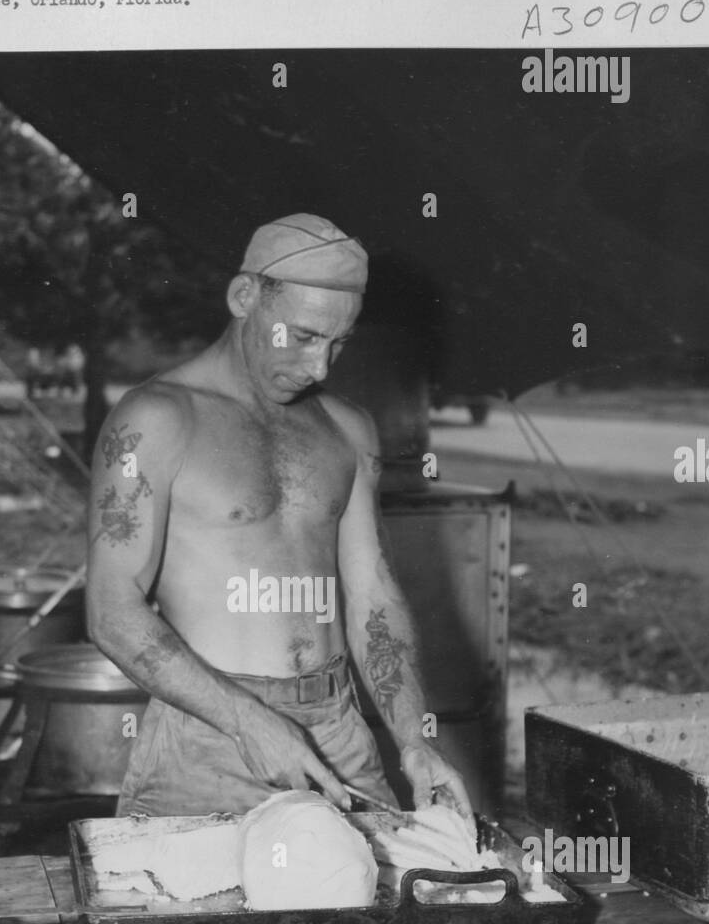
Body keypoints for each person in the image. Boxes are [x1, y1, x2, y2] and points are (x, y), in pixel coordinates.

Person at [87, 213, 473, 819]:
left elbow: (372, 595)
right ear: (245, 297)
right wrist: (248, 720)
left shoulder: (348, 430)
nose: (320, 367)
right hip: (209, 736)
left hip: (339, 733)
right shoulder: (156, 420)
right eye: (301, 335)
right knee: (195, 912)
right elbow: (111, 611)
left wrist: (414, 741)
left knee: (370, 907)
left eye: (338, 342)